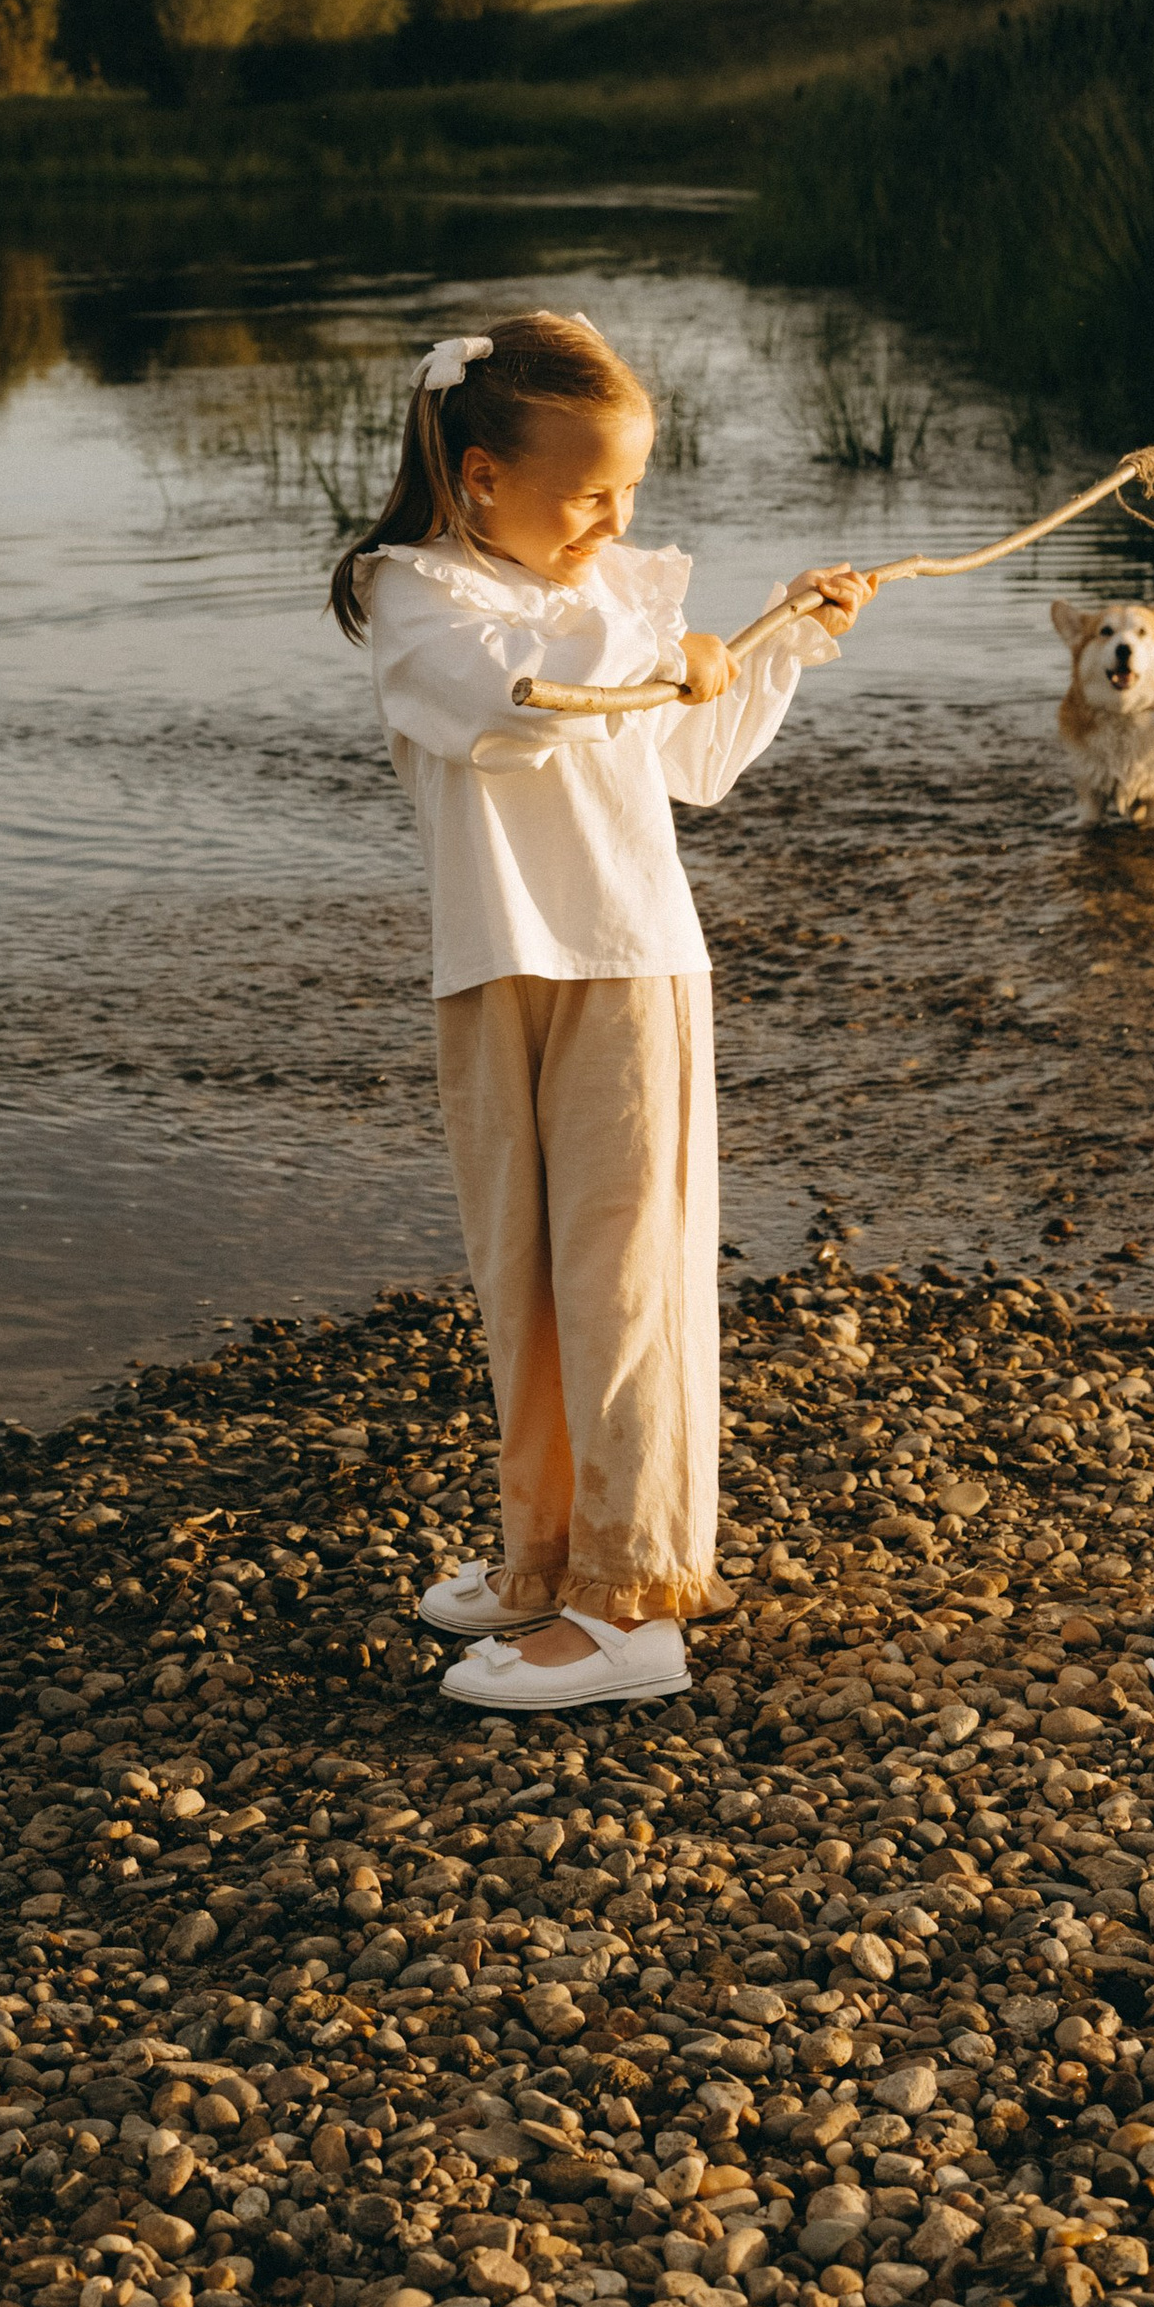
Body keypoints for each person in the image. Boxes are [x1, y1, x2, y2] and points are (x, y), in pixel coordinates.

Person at [330, 307, 871, 1714]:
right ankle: (544, 1556)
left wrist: (771, 652)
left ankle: (631, 1606)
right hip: (497, 964)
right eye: (590, 493)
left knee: (623, 1288)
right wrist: (648, 642)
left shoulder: (612, 587)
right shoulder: (418, 593)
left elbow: (688, 760)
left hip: (630, 964)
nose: (618, 519)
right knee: (526, 1283)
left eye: (630, 488)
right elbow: (512, 708)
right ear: (481, 480)